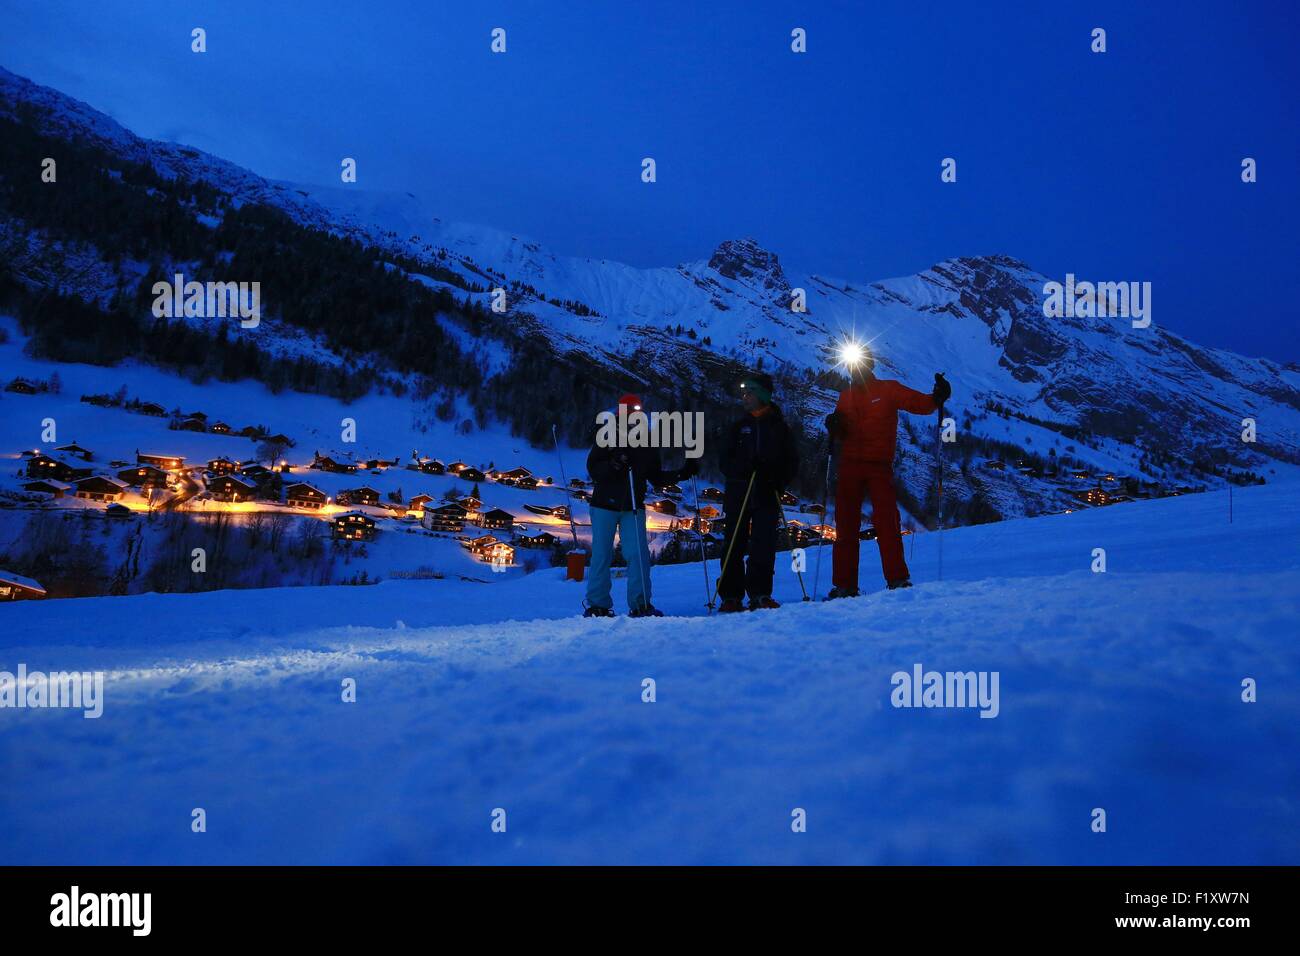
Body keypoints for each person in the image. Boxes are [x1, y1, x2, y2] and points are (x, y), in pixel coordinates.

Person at [825, 355, 951, 597]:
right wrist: (834, 426)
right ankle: (845, 585)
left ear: (870, 366)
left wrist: (937, 398)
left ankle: (896, 579)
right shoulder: (846, 396)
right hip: (850, 465)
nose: (856, 369)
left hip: (878, 466)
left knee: (887, 522)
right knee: (846, 526)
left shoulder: (888, 389)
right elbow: (841, 432)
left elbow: (920, 404)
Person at [584, 393, 698, 617]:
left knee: (637, 555)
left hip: (632, 506)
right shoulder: (606, 435)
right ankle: (598, 605)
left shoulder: (646, 442)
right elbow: (594, 469)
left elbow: (655, 477)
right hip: (605, 504)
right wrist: (614, 464)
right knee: (601, 554)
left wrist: (682, 473)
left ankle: (640, 604)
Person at [716, 373, 800, 612]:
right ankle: (730, 595)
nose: (745, 397)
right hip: (738, 494)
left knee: (763, 546)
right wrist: (744, 466)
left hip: (766, 493)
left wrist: (777, 478)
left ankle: (760, 593)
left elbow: (791, 462)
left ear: (763, 395)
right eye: (744, 392)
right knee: (733, 544)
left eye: (750, 392)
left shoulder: (779, 428)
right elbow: (724, 461)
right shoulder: (738, 427)